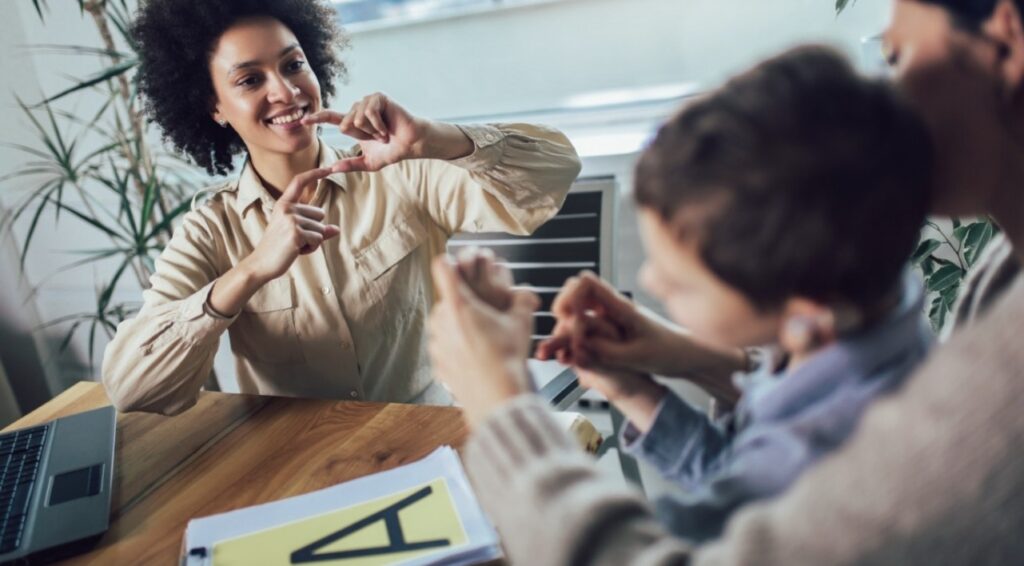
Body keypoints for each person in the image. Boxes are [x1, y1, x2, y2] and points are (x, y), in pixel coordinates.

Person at [427, 0, 1024, 563]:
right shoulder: (920, 309)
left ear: (1007, 40)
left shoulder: (980, 390)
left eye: (895, 57)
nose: (889, 103)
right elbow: (762, 486)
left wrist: (502, 404)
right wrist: (661, 380)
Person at [475, 45, 938, 544]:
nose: (650, 282)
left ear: (805, 315)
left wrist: (499, 402)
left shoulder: (820, 457)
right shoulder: (875, 318)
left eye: (680, 282)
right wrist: (636, 390)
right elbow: (737, 479)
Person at [101, 0, 581, 415]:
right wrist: (250, 271)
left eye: (293, 65)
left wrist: (432, 138)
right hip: (300, 467)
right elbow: (131, 389)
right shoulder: (212, 230)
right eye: (249, 80)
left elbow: (555, 170)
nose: (286, 92)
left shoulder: (398, 169)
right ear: (214, 108)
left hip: (423, 437)